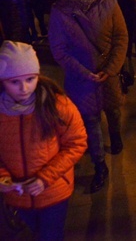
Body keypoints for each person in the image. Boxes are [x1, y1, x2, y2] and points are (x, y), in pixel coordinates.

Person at [48, 0, 128, 193]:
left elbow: (121, 38)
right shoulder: (59, 11)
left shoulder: (109, 3)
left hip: (109, 74)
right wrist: (84, 72)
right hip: (81, 79)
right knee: (89, 121)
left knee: (113, 110)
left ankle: (115, 135)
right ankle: (99, 165)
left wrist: (111, 68)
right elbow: (59, 49)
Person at [0, 41, 87, 241]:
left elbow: (77, 142)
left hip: (53, 192)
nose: (24, 88)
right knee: (37, 231)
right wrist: (3, 177)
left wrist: (45, 178)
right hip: (18, 196)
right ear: (3, 81)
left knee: (50, 236)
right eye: (14, 82)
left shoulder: (57, 105)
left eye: (30, 79)